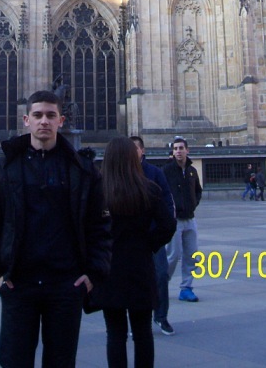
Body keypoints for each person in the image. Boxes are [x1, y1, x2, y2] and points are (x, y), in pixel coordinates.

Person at [0, 89, 111, 368]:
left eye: (50, 115)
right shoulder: (3, 168)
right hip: (18, 284)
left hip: (66, 284)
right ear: (26, 120)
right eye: (37, 115)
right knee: (14, 361)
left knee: (61, 362)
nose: (44, 121)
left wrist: (93, 274)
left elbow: (100, 226)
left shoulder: (82, 169)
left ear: (61, 120)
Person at [92, 137, 176, 368]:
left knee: (115, 333)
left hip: (109, 269)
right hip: (140, 267)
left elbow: (87, 230)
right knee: (143, 332)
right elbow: (168, 224)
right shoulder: (148, 189)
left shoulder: (99, 192)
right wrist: (149, 243)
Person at [130, 135, 176, 336]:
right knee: (134, 279)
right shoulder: (123, 173)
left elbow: (167, 201)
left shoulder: (155, 173)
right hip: (131, 238)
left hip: (153, 236)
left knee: (161, 275)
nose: (131, 153)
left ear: (143, 151)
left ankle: (161, 316)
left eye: (135, 148)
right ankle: (138, 321)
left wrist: (162, 231)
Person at [163, 137, 202, 302]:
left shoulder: (192, 171)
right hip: (175, 220)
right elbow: (161, 192)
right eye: (175, 149)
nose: (178, 151)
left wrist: (193, 205)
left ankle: (186, 288)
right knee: (173, 255)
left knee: (192, 255)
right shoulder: (166, 171)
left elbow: (198, 191)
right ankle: (161, 285)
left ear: (187, 150)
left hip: (190, 219)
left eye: (181, 148)